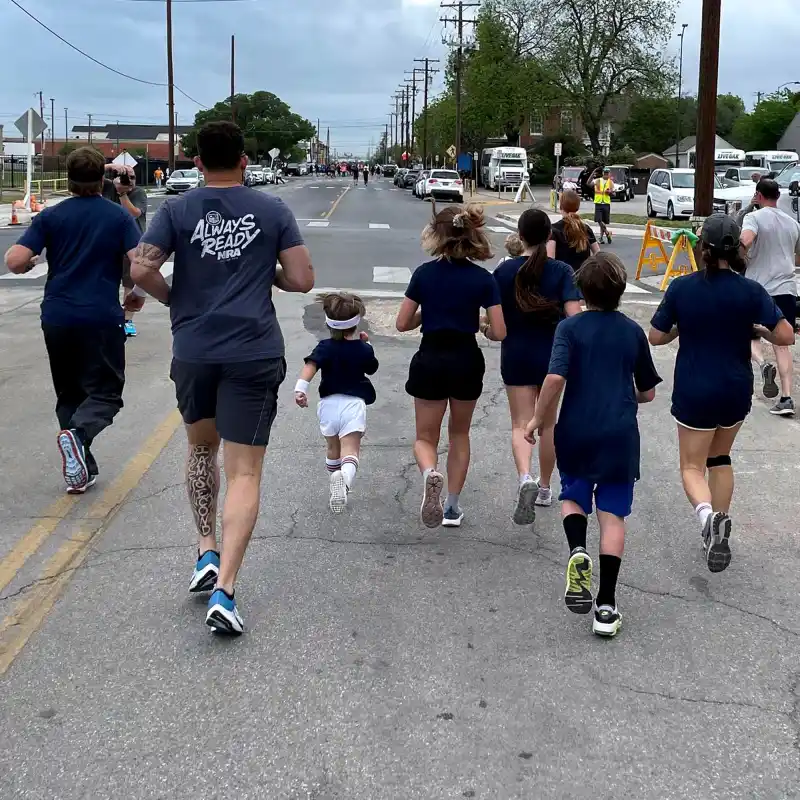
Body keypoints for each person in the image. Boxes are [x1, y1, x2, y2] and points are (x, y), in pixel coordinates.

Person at [130, 120, 314, 636]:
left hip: (194, 350)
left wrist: (176, 300)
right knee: (246, 473)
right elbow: (302, 279)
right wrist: (266, 272)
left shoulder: (175, 210)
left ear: (196, 162)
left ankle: (205, 549)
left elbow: (140, 269)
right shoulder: (272, 210)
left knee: (199, 451)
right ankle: (226, 590)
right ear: (244, 162)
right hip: (252, 351)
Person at [525, 252, 661, 638]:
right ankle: (606, 604)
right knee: (613, 516)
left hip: (576, 429)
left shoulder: (569, 329)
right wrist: (625, 395)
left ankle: (576, 551)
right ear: (620, 292)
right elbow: (648, 393)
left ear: (582, 291)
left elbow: (554, 380)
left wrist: (536, 419)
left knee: (574, 495)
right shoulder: (632, 331)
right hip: (619, 434)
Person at [649, 215, 794, 573]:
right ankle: (719, 525)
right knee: (720, 458)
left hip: (695, 387)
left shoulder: (683, 288)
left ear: (703, 248)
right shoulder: (750, 290)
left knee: (690, 466)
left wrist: (681, 328)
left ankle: (707, 519)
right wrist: (757, 327)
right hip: (735, 388)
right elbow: (787, 335)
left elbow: (655, 335)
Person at [4, 147, 141, 493]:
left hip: (58, 316)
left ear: (67, 179)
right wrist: (134, 293)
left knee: (69, 394)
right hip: (100, 316)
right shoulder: (118, 217)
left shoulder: (51, 217)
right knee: (107, 393)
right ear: (103, 179)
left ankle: (81, 470)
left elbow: (14, 261)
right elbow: (139, 264)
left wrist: (31, 262)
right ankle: (79, 435)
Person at [396, 205, 506, 529]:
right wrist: (482, 325)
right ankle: (452, 508)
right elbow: (500, 332)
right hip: (466, 359)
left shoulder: (424, 275)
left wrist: (425, 315)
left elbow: (403, 323)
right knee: (459, 433)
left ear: (436, 235)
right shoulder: (483, 279)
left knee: (424, 437)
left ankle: (431, 472)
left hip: (430, 357)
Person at [487, 209, 582, 525]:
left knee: (519, 424)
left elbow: (492, 321)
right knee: (548, 425)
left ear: (520, 235)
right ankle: (544, 487)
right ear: (549, 237)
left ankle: (524, 476)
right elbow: (574, 317)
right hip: (552, 357)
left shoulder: (502, 273)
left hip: (515, 353)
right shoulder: (562, 271)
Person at [294, 293, 379, 513]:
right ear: (355, 323)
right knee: (350, 450)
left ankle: (335, 480)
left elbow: (310, 366)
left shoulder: (324, 347)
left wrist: (301, 389)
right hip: (353, 405)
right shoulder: (363, 348)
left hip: (329, 404)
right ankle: (345, 483)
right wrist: (367, 345)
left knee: (333, 447)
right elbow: (371, 367)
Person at [740, 178, 800, 416]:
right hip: (786, 287)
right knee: (782, 343)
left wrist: (740, 258)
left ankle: (763, 365)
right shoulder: (793, 223)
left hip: (759, 288)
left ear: (759, 196)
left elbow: (745, 241)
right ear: (778, 196)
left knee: (749, 335)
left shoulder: (753, 217)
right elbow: (798, 257)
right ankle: (786, 398)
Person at [103, 164, 148, 337]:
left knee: (130, 282)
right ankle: (110, 316)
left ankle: (127, 320)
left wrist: (122, 193)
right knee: (107, 281)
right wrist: (109, 166)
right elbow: (86, 172)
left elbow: (135, 213)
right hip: (109, 243)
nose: (128, 180)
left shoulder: (138, 193)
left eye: (132, 177)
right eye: (124, 176)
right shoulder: (107, 187)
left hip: (132, 244)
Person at [547, 189, 600, 274]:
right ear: (577, 207)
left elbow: (550, 262)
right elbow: (599, 256)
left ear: (561, 206)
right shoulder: (586, 229)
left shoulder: (554, 230)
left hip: (563, 280)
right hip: (582, 279)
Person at [592, 166, 614, 244]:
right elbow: (588, 183)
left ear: (609, 174)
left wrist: (610, 192)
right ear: (602, 173)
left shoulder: (610, 182)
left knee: (603, 221)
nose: (606, 174)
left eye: (607, 173)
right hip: (598, 203)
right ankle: (607, 233)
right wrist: (593, 172)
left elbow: (613, 194)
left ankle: (601, 238)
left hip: (606, 204)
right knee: (599, 220)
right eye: (605, 173)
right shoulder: (597, 180)